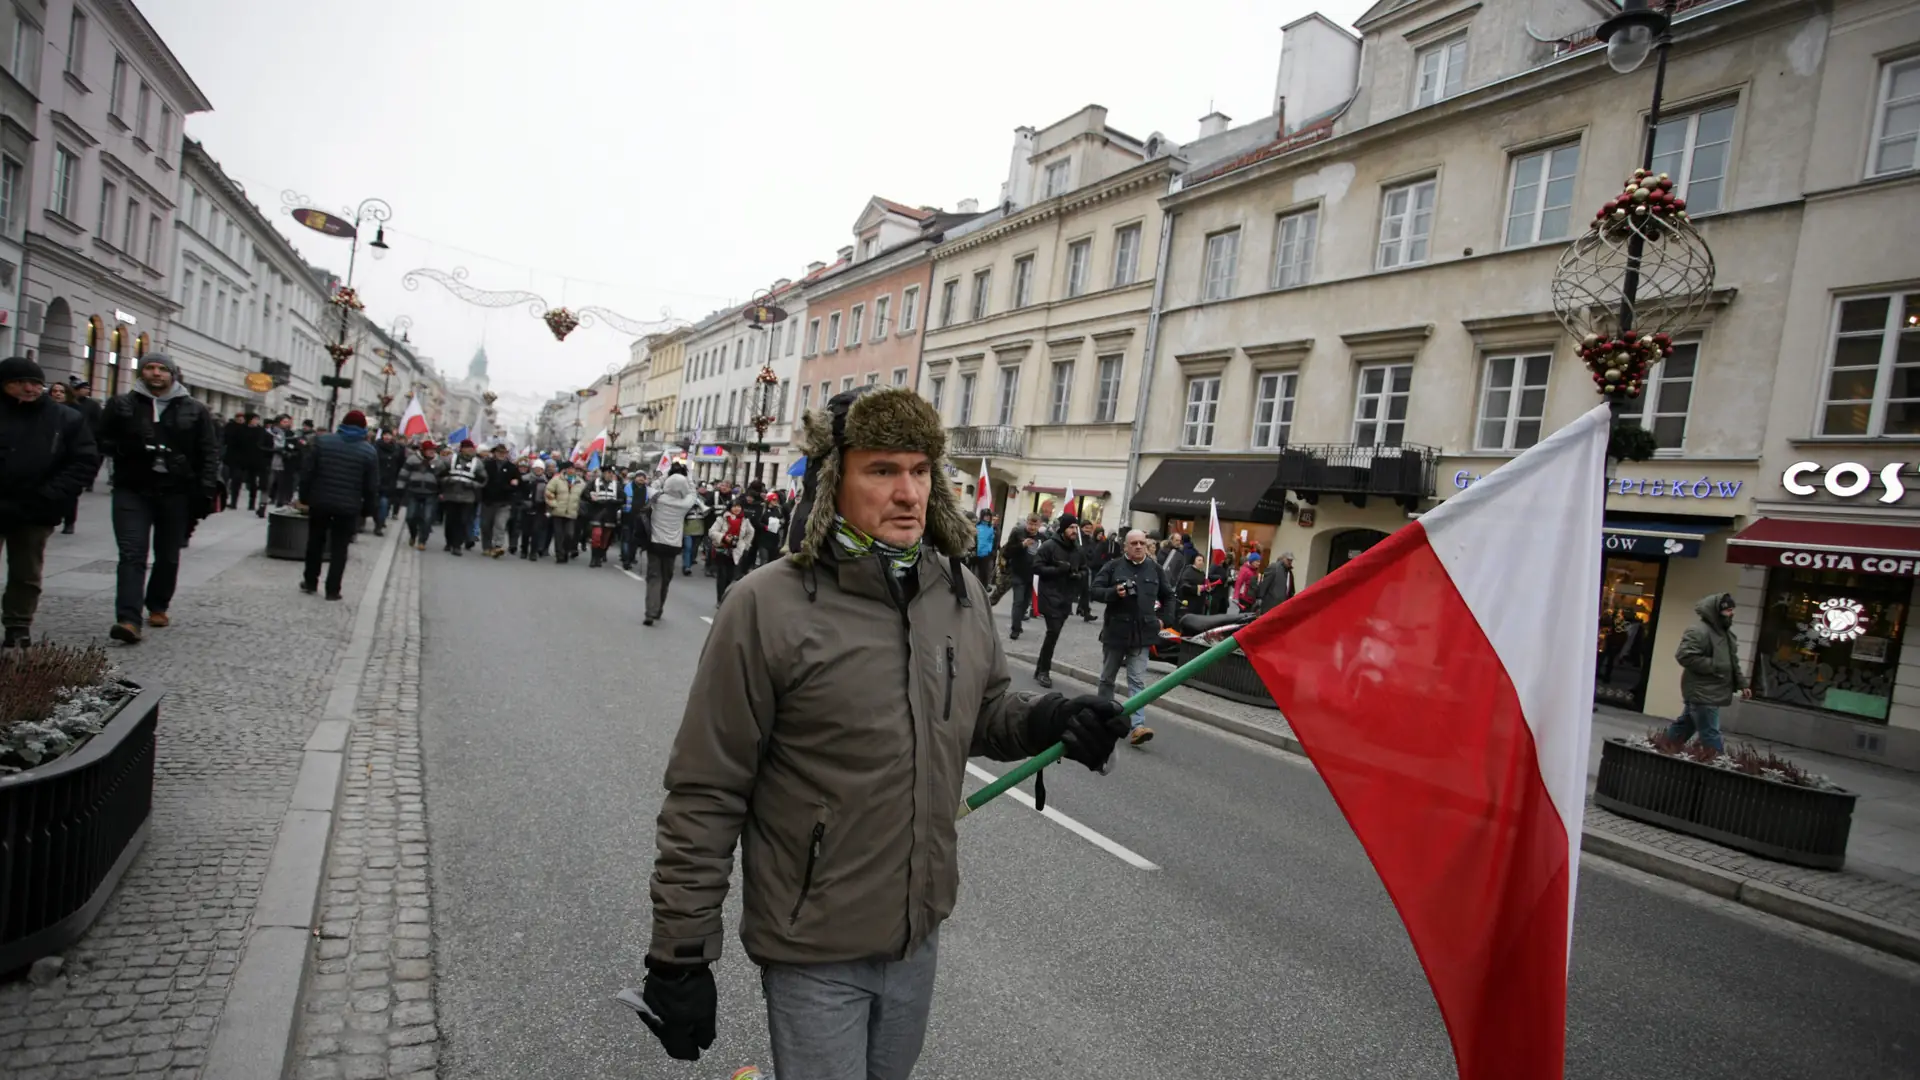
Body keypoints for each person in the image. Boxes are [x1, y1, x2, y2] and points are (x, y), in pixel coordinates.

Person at [634, 387, 1128, 1075]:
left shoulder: (956, 593)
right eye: (882, 470)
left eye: (921, 471)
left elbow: (982, 714)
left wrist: (1051, 719)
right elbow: (706, 790)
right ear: (836, 479)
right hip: (814, 947)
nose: (909, 492)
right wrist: (680, 954)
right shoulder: (766, 606)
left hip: (915, 937)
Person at [96, 354, 220, 643]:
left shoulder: (195, 410)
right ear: (142, 372)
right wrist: (128, 448)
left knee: (167, 554)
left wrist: (205, 491)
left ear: (173, 375)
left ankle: (158, 605)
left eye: (162, 369)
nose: (156, 373)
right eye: (150, 368)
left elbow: (209, 452)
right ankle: (128, 619)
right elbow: (101, 439)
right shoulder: (122, 405)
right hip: (132, 489)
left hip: (175, 492)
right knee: (131, 554)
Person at [0, 358, 100, 647]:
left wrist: (52, 493)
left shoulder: (64, 417)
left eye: (35, 383)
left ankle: (18, 625)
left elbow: (83, 461)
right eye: (20, 382)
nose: (30, 388)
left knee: (27, 570)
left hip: (36, 507)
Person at [1092, 529, 1173, 747]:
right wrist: (1113, 593)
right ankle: (1103, 718)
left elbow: (1169, 596)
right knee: (1107, 678)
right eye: (1134, 543)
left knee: (1137, 680)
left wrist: (1163, 620)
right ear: (1125, 547)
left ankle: (1138, 726)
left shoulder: (1155, 569)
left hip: (1142, 634)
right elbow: (1095, 590)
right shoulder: (1113, 566)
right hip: (1115, 632)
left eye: (1142, 543)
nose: (1138, 546)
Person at [295, 409, 378, 601]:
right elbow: (371, 486)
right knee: (340, 547)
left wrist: (304, 497)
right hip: (348, 506)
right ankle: (333, 589)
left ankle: (310, 581)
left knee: (315, 541)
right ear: (363, 428)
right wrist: (367, 510)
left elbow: (307, 473)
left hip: (320, 500)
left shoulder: (323, 442)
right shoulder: (368, 451)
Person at [1668, 593, 1750, 754]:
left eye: (1732, 610)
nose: (1731, 613)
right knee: (1710, 732)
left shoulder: (1725, 634)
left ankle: (1663, 748)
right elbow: (1685, 656)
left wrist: (1742, 684)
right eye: (1728, 610)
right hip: (1702, 691)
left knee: (1685, 725)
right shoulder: (1698, 631)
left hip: (1711, 690)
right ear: (1716, 611)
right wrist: (1715, 666)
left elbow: (1732, 662)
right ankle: (1717, 765)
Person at [1030, 513, 1084, 688]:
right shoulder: (1049, 546)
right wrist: (1057, 570)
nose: (1074, 530)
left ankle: (1039, 669)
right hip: (1050, 596)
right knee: (1053, 632)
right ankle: (1044, 672)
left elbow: (1085, 569)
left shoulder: (1077, 549)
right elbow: (1036, 567)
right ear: (1063, 529)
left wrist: (1078, 575)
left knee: (1053, 634)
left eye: (1076, 527)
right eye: (1071, 527)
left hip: (1066, 598)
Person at [643, 463, 700, 625]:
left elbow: (653, 484)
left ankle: (650, 611)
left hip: (655, 542)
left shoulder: (657, 498)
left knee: (654, 577)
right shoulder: (685, 504)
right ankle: (659, 608)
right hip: (673, 545)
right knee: (666, 577)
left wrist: (667, 474)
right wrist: (686, 477)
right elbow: (693, 492)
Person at [435, 440, 486, 556]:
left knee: (463, 521)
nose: (469, 450)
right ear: (461, 449)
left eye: (471, 448)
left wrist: (473, 485)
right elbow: (439, 474)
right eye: (467, 448)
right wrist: (446, 481)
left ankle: (457, 545)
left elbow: (483, 479)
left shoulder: (477, 463)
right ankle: (449, 542)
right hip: (451, 495)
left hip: (467, 497)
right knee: (450, 521)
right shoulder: (450, 459)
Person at [1000, 512, 1042, 639]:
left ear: (1039, 525)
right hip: (1018, 572)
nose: (1032, 527)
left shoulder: (1042, 538)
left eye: (1035, 525)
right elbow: (1007, 551)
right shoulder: (1018, 533)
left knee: (1025, 603)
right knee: (1018, 602)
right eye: (1030, 523)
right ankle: (1015, 629)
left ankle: (1019, 622)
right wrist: (1021, 545)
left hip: (1033, 575)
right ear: (1026, 522)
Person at [708, 498, 755, 605]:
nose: (736, 509)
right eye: (734, 506)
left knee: (731, 576)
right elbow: (712, 532)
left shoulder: (745, 520)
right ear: (730, 508)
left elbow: (750, 533)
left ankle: (724, 593)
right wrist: (723, 537)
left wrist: (745, 545)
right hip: (722, 549)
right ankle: (720, 599)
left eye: (739, 506)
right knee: (722, 575)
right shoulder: (722, 519)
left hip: (736, 551)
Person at [399, 441, 441, 550]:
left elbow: (443, 479)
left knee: (427, 518)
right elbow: (404, 472)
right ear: (423, 450)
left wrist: (442, 491)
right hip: (414, 491)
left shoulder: (438, 462)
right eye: (429, 450)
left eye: (433, 450)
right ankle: (413, 534)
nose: (432, 452)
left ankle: (422, 541)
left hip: (430, 493)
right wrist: (400, 486)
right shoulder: (413, 459)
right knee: (410, 517)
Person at [479, 444, 519, 558]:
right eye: (499, 452)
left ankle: (498, 546)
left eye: (504, 452)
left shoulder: (511, 467)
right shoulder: (487, 465)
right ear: (495, 453)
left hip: (504, 501)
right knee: (486, 525)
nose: (501, 454)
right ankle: (486, 546)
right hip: (488, 500)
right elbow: (481, 479)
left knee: (500, 524)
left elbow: (517, 482)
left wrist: (514, 484)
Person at [582, 461, 623, 568]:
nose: (610, 474)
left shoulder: (617, 485)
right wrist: (593, 500)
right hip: (597, 512)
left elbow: (623, 499)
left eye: (612, 473)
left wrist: (614, 502)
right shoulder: (594, 482)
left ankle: (599, 556)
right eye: (608, 472)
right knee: (596, 536)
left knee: (605, 539)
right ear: (603, 473)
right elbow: (585, 494)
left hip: (610, 515)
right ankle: (593, 558)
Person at [545, 461, 585, 564]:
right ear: (565, 470)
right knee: (558, 535)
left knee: (569, 534)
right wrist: (553, 503)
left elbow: (584, 496)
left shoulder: (580, 482)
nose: (571, 470)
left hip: (571, 513)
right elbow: (548, 491)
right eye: (569, 468)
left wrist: (581, 508)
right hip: (558, 512)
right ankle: (560, 555)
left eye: (573, 468)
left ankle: (566, 551)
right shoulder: (557, 480)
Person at [375, 430, 406, 534]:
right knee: (373, 502)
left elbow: (401, 464)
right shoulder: (376, 446)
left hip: (390, 480)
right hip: (376, 478)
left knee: (384, 503)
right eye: (385, 435)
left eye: (389, 435)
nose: (387, 437)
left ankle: (379, 524)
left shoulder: (397, 449)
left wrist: (398, 478)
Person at [518, 460, 550, 559]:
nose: (538, 471)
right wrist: (523, 501)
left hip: (539, 508)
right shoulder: (525, 479)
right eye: (536, 469)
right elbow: (520, 492)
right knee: (526, 531)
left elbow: (548, 495)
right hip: (526, 507)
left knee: (536, 531)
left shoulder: (546, 482)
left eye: (540, 469)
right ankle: (524, 550)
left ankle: (533, 552)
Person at [1077, 525, 1108, 622]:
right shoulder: (1080, 539)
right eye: (1086, 528)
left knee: (1086, 591)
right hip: (1080, 567)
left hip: (1089, 568)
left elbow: (1096, 554)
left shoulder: (1094, 542)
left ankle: (1085, 612)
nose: (1088, 530)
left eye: (1089, 528)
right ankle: (1080, 609)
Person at [681, 483, 706, 575]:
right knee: (688, 547)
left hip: (699, 528)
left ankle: (689, 563)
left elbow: (706, 512)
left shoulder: (703, 499)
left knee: (694, 549)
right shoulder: (685, 499)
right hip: (687, 528)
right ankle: (686, 566)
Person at [973, 508, 997, 587]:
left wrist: (989, 550)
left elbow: (991, 540)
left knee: (984, 574)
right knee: (974, 574)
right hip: (975, 553)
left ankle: (984, 588)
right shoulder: (977, 526)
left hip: (986, 554)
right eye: (986, 516)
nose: (987, 518)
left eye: (989, 516)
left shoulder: (991, 528)